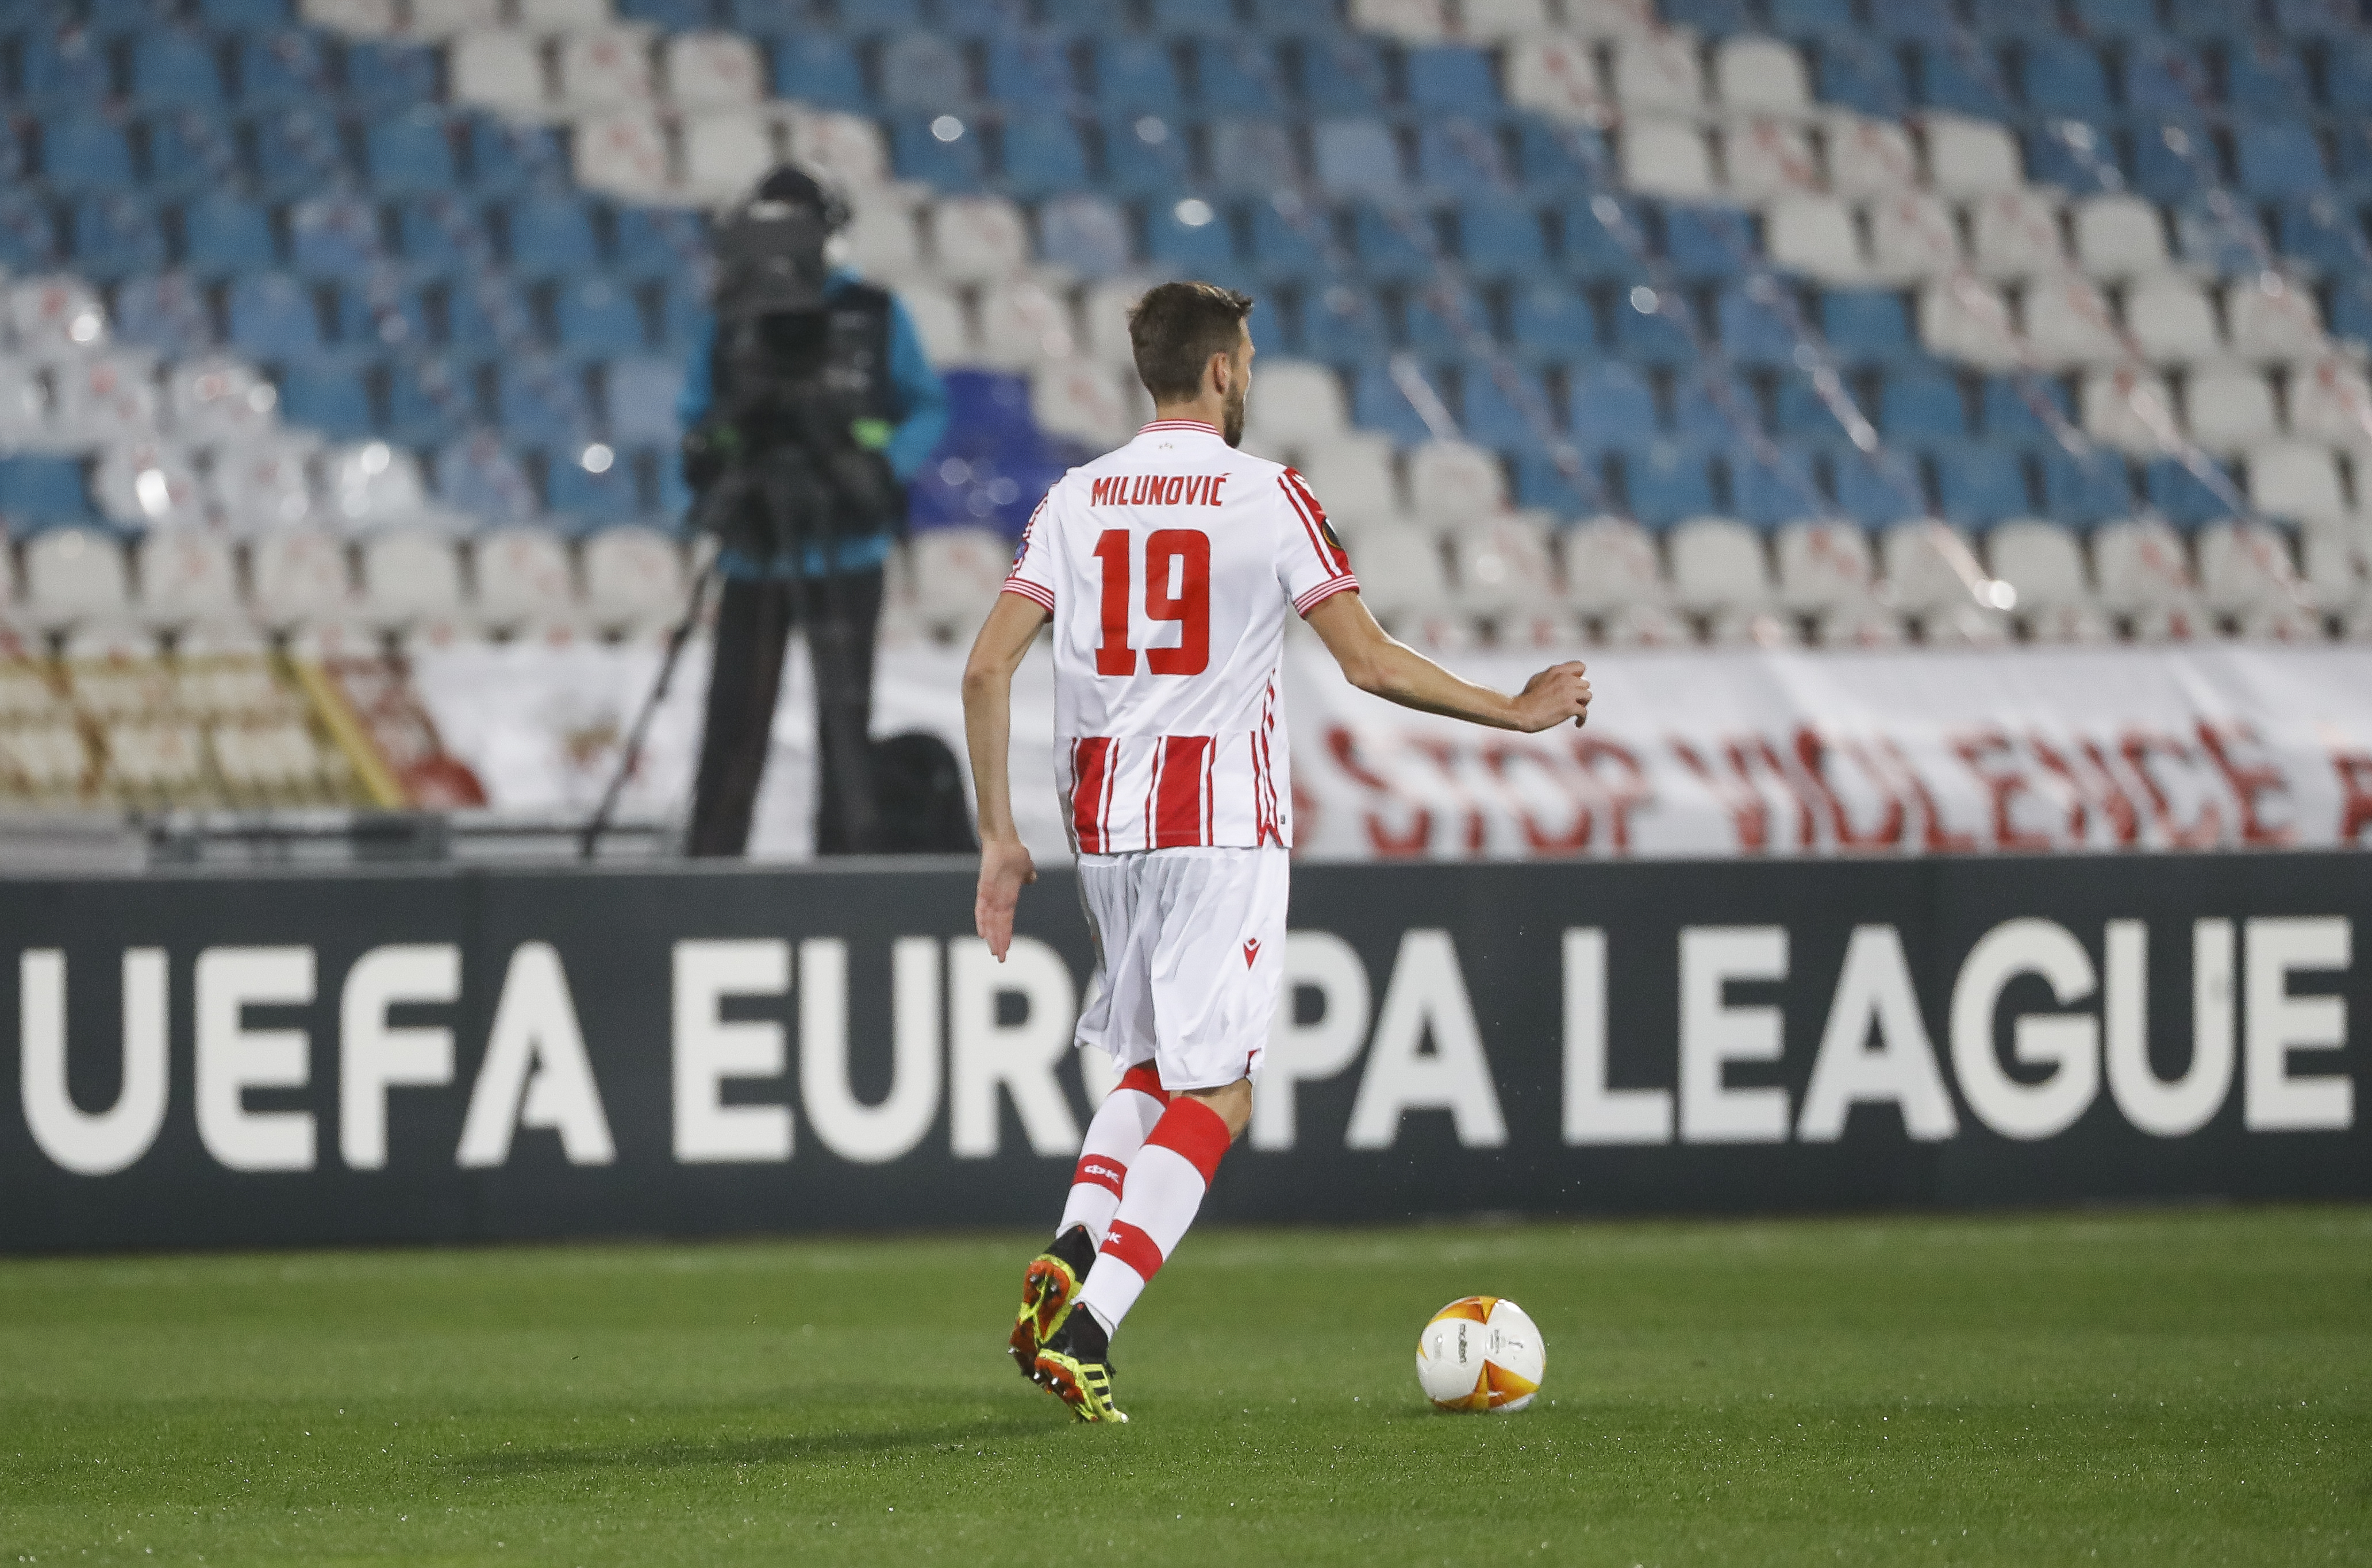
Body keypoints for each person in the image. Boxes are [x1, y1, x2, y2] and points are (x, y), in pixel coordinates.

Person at [960, 280, 1594, 1423]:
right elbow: (1368, 662)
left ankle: (1070, 1240)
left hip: (1103, 822)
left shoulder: (1074, 496)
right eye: (1243, 358)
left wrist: (999, 837)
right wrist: (1512, 708)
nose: (1245, 373)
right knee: (1222, 1090)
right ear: (1219, 370)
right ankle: (1093, 1320)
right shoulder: (1267, 496)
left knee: (1150, 1067)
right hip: (1217, 820)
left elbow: (983, 667)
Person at [679, 165, 948, 857]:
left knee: (843, 715)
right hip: (754, 546)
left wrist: (882, 464)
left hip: (847, 542)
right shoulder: (729, 317)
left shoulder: (873, 313)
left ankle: (844, 861)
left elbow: (925, 405)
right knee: (736, 717)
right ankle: (711, 863)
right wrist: (719, 461)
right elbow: (694, 419)